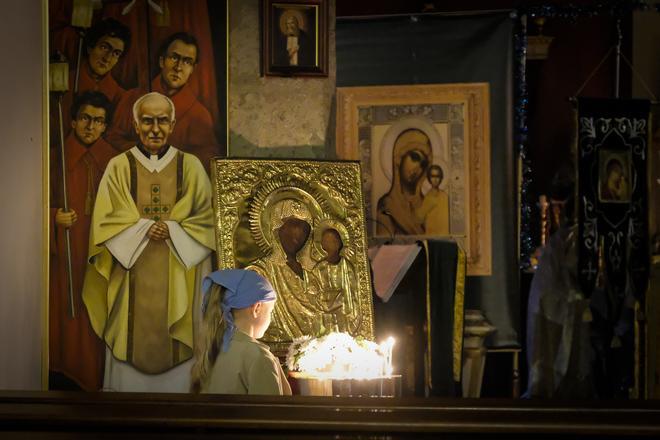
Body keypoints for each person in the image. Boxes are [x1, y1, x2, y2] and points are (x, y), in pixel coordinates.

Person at [82, 91, 215, 392]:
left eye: (162, 121)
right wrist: (143, 229)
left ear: (172, 123)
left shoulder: (191, 166)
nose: (155, 129)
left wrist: (172, 229)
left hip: (179, 277)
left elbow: (206, 221)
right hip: (130, 279)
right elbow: (104, 223)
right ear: (135, 124)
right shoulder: (118, 167)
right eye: (147, 121)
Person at [49, 91, 117, 391]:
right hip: (64, 253)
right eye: (86, 118)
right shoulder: (54, 157)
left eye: (99, 121)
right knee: (65, 315)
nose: (91, 126)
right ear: (74, 121)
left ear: (105, 126)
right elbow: (21, 204)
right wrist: (52, 215)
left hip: (100, 252)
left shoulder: (114, 162)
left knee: (97, 311)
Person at [107, 32, 218, 173]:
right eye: (174, 57)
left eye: (187, 61)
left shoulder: (200, 115)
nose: (178, 67)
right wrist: (140, 151)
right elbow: (111, 138)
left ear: (192, 69)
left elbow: (207, 160)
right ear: (161, 61)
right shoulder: (131, 98)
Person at [190, 269, 292, 395]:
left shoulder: (212, 348)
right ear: (257, 308)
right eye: (270, 311)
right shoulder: (258, 357)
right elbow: (272, 413)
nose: (270, 318)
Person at [246, 198, 320, 342]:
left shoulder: (315, 272)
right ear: (277, 229)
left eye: (305, 228)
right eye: (293, 226)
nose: (298, 235)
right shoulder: (260, 271)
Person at [59, 18, 131, 137]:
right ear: (90, 48)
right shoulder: (65, 82)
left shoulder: (119, 95)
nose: (107, 58)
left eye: (116, 53)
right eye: (104, 47)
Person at [376, 129, 432, 236]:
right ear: (399, 158)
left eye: (423, 164)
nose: (417, 168)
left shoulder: (427, 204)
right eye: (414, 158)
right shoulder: (386, 206)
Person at [309, 225, 359, 333]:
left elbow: (352, 293)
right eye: (326, 241)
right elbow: (313, 291)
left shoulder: (346, 266)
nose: (329, 244)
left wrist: (337, 299)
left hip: (343, 312)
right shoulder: (319, 268)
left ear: (339, 244)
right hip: (324, 315)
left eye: (332, 241)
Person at [415, 164, 450, 235]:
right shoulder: (427, 197)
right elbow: (419, 218)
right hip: (432, 237)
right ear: (429, 178)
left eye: (438, 176)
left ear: (441, 178)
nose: (435, 179)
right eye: (433, 176)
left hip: (445, 236)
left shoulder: (445, 196)